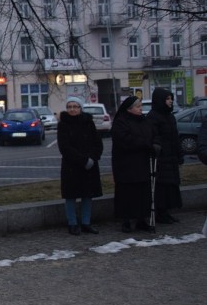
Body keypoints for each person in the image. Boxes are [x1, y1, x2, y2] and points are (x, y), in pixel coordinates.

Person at [56, 97, 103, 235]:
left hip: (89, 165)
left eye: (75, 106)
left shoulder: (88, 122)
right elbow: (64, 147)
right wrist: (83, 160)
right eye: (69, 106)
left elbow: (97, 143)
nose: (72, 109)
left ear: (80, 108)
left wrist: (93, 158)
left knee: (87, 195)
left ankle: (86, 223)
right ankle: (72, 223)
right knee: (71, 196)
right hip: (72, 166)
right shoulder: (63, 124)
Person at [111, 96, 155, 233]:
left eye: (141, 106)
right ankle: (126, 221)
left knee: (142, 193)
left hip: (142, 163)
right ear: (129, 109)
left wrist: (155, 144)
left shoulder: (144, 121)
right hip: (126, 165)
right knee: (127, 194)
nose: (140, 109)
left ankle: (141, 219)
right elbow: (125, 141)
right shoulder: (120, 122)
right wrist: (145, 143)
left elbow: (152, 135)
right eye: (137, 106)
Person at [145, 88, 182, 224]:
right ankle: (160, 212)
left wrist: (179, 154)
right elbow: (153, 136)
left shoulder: (170, 116)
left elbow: (175, 137)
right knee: (161, 187)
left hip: (170, 157)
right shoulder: (153, 116)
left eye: (170, 98)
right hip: (160, 158)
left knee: (170, 186)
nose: (170, 101)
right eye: (167, 99)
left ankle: (166, 211)